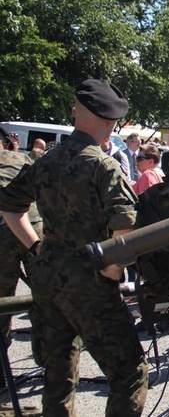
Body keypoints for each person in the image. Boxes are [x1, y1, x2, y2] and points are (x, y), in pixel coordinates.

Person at [0, 79, 149, 415]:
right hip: (90, 280)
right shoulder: (103, 165)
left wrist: (37, 247)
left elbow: (10, 206)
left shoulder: (46, 160)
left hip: (48, 275)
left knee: (57, 373)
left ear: (75, 114)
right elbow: (124, 226)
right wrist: (113, 269)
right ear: (112, 122)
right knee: (129, 371)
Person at [0, 126, 43, 389]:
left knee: (3, 303)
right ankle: (50, 362)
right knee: (44, 298)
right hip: (32, 228)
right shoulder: (20, 159)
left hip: (4, 231)